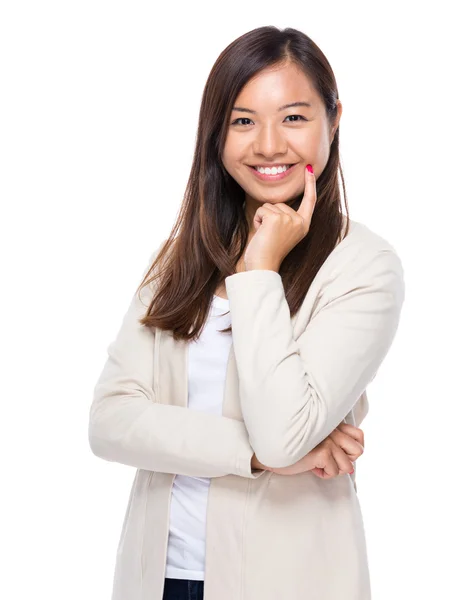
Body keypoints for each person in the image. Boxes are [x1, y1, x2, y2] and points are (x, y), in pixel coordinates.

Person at [88, 26, 405, 600]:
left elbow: (284, 436)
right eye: (242, 121)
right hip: (158, 577)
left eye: (293, 118)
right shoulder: (180, 258)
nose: (267, 145)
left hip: (286, 582)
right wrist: (251, 453)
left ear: (334, 120)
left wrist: (259, 267)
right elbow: (109, 422)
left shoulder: (363, 267)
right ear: (217, 135)